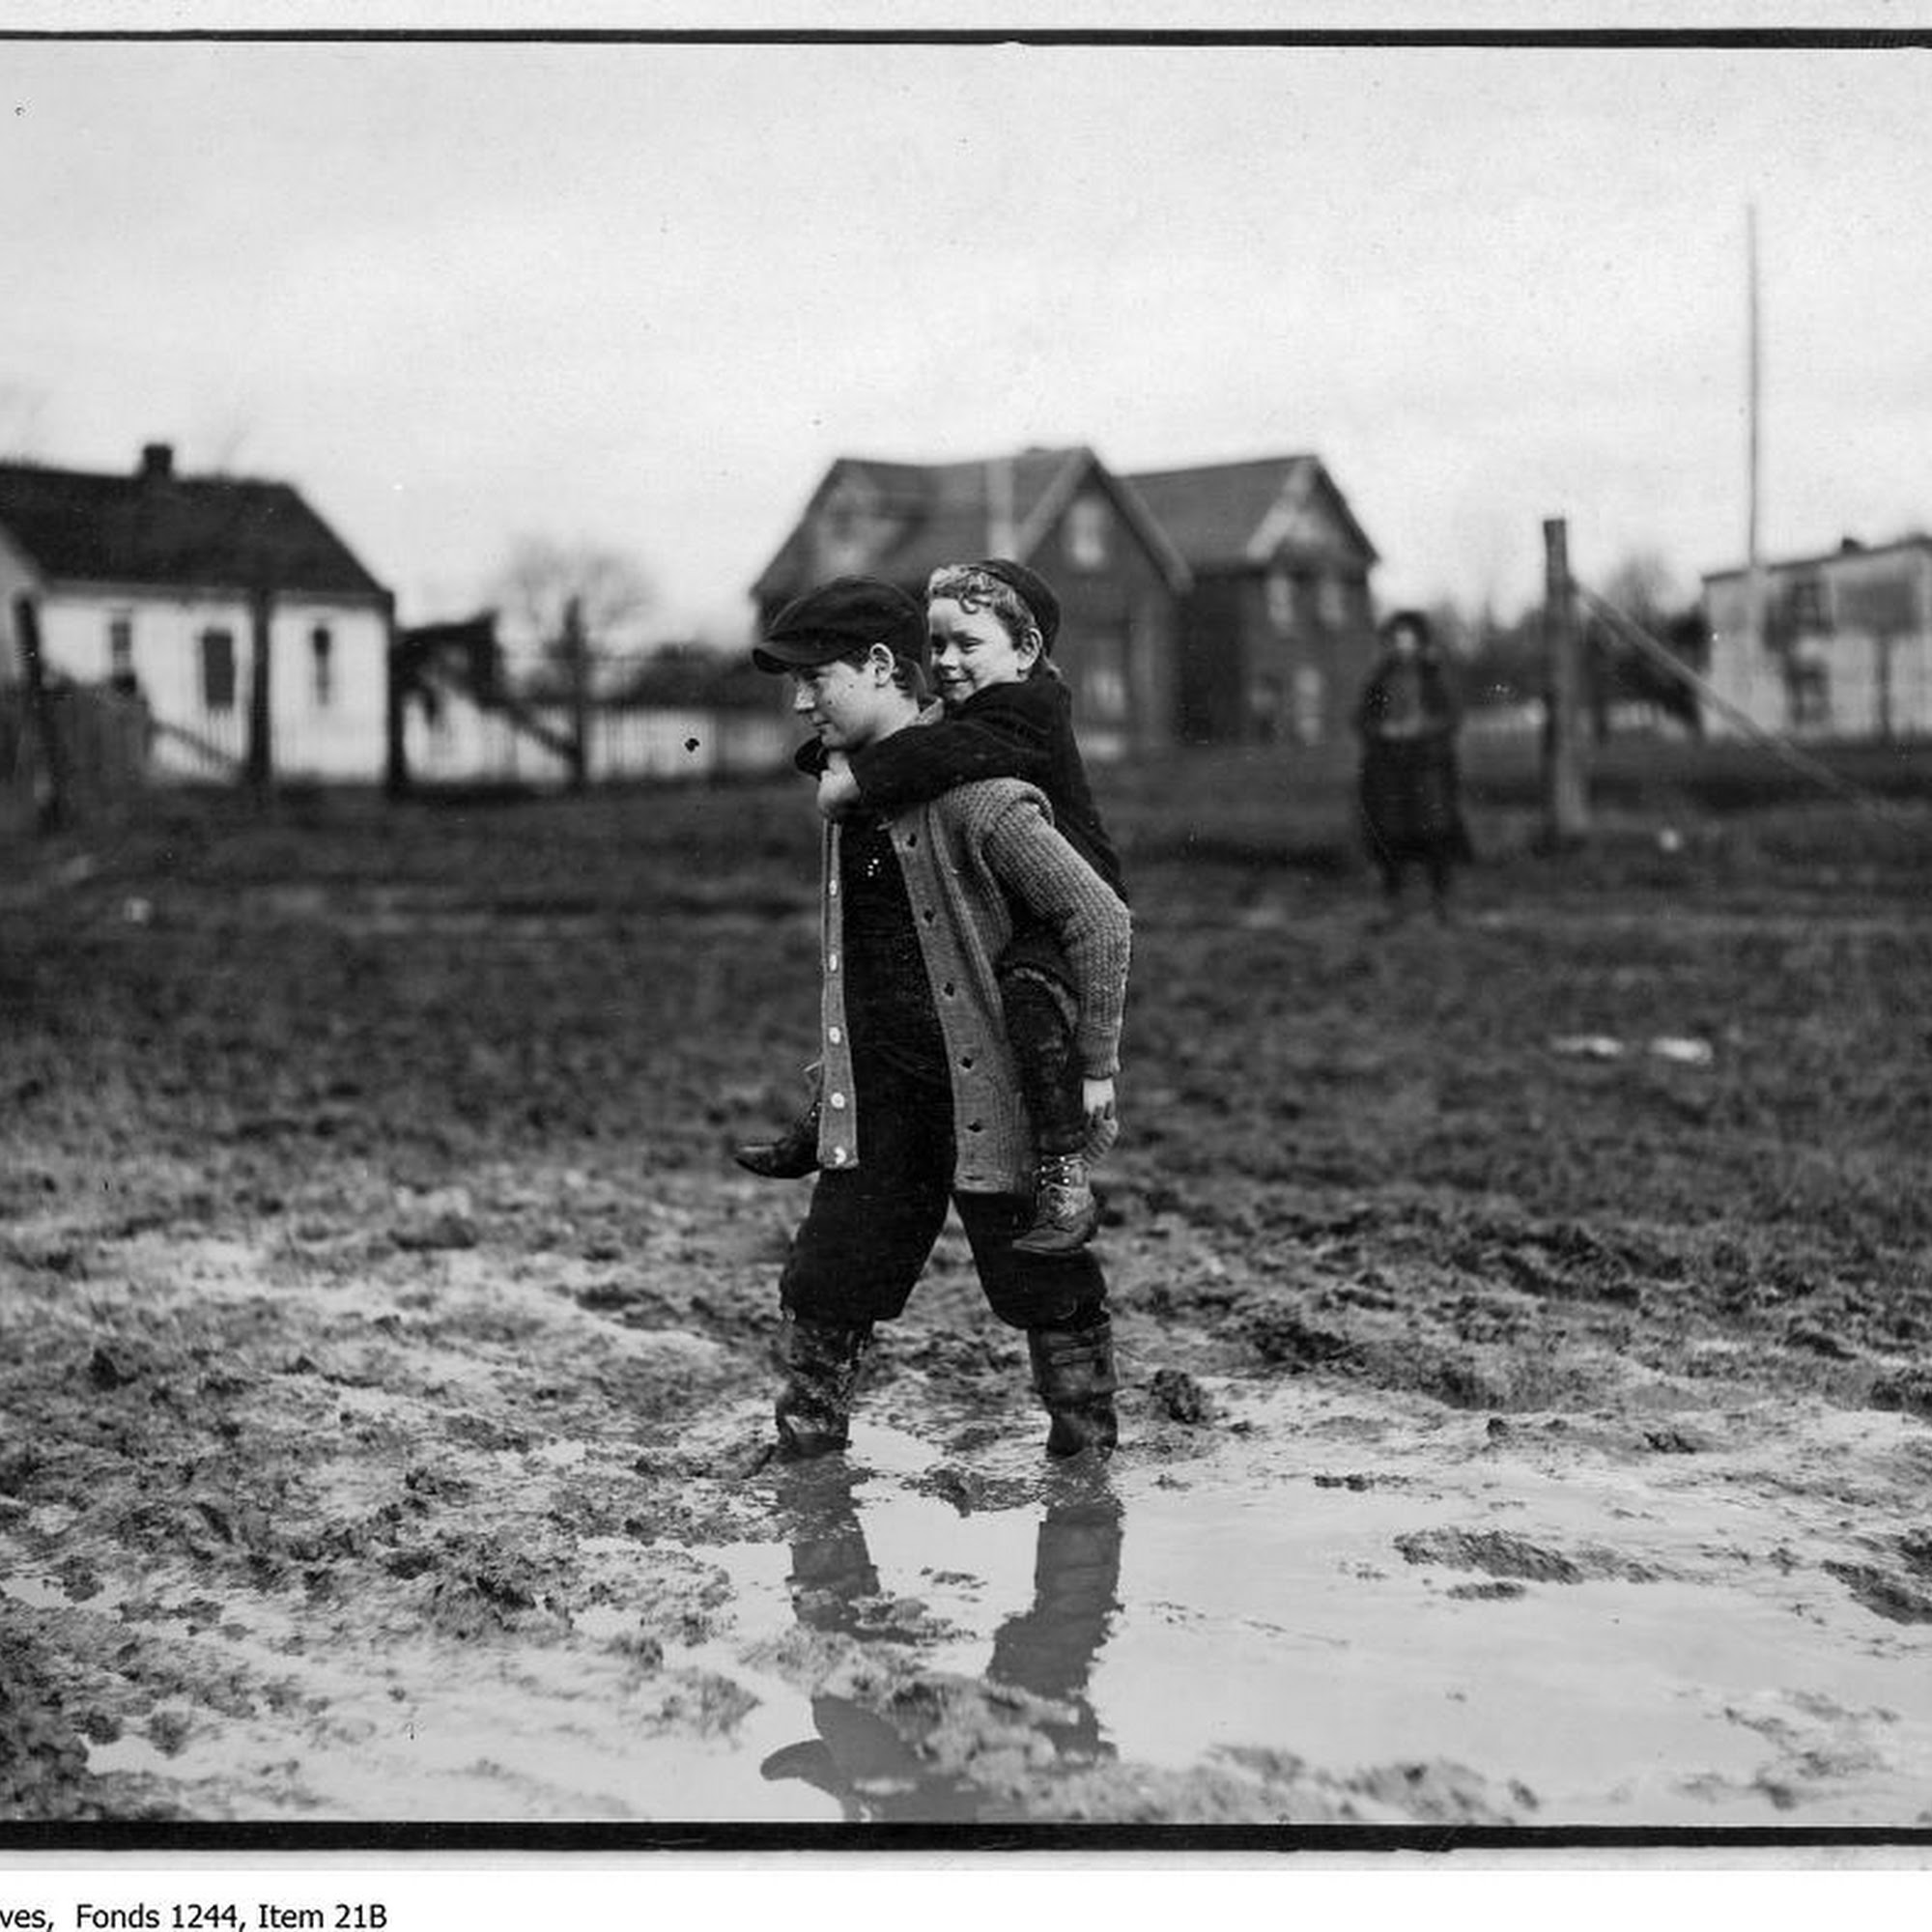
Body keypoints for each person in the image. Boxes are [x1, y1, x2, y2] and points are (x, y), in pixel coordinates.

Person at [747, 576, 1131, 1462]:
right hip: (885, 1093)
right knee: (830, 1273)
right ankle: (807, 1461)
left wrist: (1094, 1059)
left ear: (883, 667)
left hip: (988, 1088)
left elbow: (1100, 916)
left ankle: (1086, 1473)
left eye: (816, 678)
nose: (801, 702)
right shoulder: (851, 792)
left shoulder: (978, 794)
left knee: (1045, 1276)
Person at [1353, 609, 1472, 923]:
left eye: (1408, 639)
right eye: (1397, 640)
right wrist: (1382, 730)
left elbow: (1452, 716)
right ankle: (1395, 903)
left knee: (1436, 832)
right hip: (1389, 768)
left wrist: (1424, 728)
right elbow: (1363, 719)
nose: (1403, 645)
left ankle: (1443, 901)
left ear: (1419, 642)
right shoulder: (1380, 680)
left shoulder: (1434, 678)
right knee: (1390, 834)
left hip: (1428, 766)